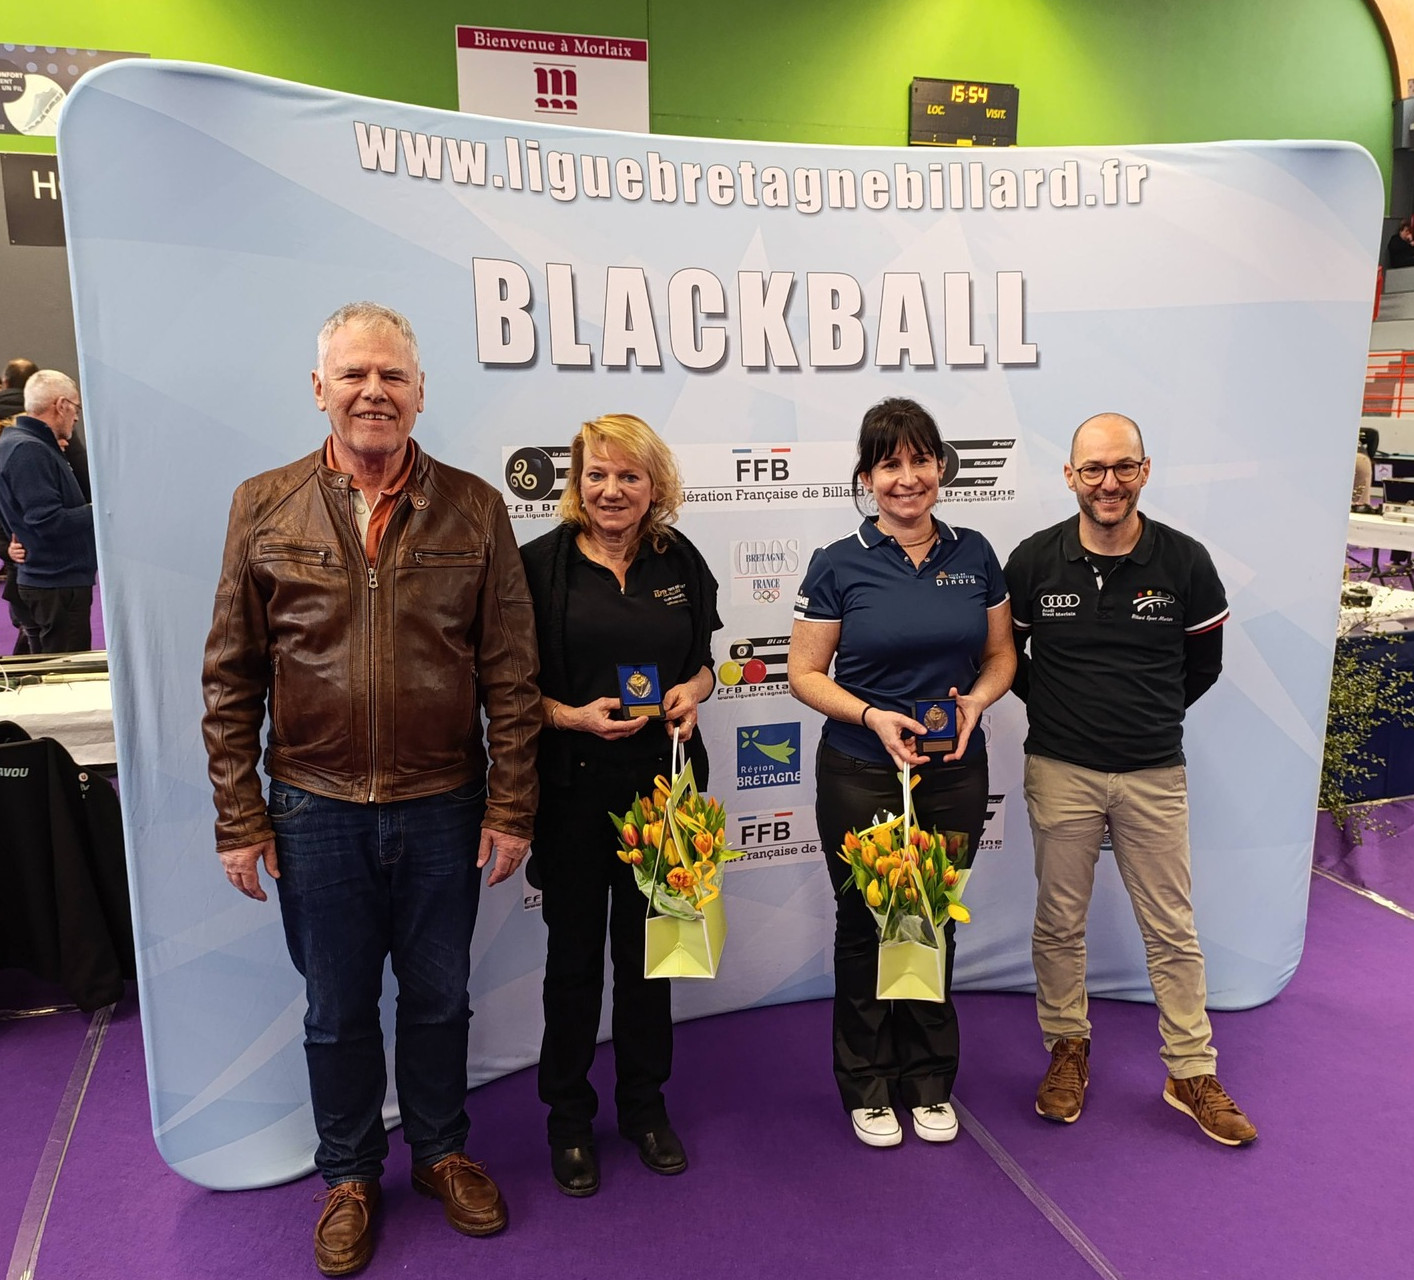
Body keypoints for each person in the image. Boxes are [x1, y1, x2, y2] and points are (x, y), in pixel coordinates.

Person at [201, 302, 541, 1275]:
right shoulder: (261, 504)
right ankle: (350, 1171)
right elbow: (232, 676)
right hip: (313, 808)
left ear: (420, 391)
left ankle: (439, 1150)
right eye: (353, 374)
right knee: (336, 1007)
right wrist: (239, 814)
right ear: (320, 389)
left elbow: (510, 673)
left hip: (443, 803)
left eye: (391, 375)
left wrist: (510, 803)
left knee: (440, 997)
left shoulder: (476, 507)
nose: (373, 391)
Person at [1003, 411, 1257, 1147]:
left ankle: (1189, 1071)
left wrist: (1143, 717)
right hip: (1060, 769)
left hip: (1153, 772)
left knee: (1172, 931)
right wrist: (1065, 711)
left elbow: (1201, 667)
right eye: (1093, 470)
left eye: (1122, 468)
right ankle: (1067, 1049)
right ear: (1070, 477)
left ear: (1143, 471)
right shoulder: (1033, 562)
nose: (1108, 483)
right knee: (1058, 923)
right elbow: (1008, 661)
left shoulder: (1185, 562)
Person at [788, 397, 1014, 1149]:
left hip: (953, 770)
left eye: (920, 460)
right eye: (890, 464)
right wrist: (870, 717)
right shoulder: (838, 562)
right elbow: (803, 673)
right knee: (865, 922)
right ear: (867, 477)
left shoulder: (974, 553)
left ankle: (927, 1080)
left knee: (930, 918)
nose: (907, 478)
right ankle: (868, 1083)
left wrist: (979, 701)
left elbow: (1001, 655)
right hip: (863, 769)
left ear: (941, 468)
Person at [520, 414, 719, 1197]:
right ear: (577, 483)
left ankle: (644, 1106)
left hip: (663, 793)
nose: (611, 490)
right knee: (572, 965)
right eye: (597, 474)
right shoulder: (539, 565)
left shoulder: (680, 558)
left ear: (653, 485)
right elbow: (504, 688)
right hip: (570, 791)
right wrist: (569, 715)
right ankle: (568, 1120)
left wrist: (693, 694)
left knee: (650, 962)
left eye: (629, 476)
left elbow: (706, 663)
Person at [0, 370, 96, 652]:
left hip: (51, 582)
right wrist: (99, 510)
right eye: (76, 408)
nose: (76, 417)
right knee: (66, 679)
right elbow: (47, 521)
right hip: (56, 585)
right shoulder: (28, 450)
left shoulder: (23, 444)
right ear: (62, 405)